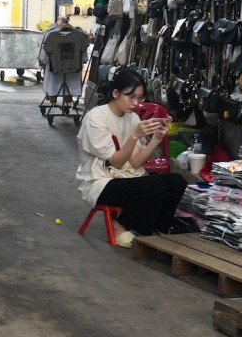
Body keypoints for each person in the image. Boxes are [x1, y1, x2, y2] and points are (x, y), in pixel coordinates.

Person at [75, 68, 187, 247]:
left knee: (177, 181)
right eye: (131, 96)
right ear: (116, 93)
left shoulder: (132, 118)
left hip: (125, 177)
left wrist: (157, 138)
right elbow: (117, 162)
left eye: (140, 98)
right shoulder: (96, 118)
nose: (136, 103)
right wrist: (134, 136)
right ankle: (120, 225)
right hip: (100, 182)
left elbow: (135, 163)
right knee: (154, 186)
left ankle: (160, 229)